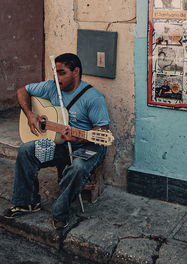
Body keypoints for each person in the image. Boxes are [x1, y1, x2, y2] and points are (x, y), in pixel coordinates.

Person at [2, 53, 110, 230]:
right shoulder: (51, 87)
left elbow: (103, 131)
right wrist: (30, 114)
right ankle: (27, 202)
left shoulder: (93, 97)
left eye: (61, 73)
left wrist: (78, 137)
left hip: (88, 145)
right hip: (59, 143)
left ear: (76, 72)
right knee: (27, 150)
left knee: (78, 167)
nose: (56, 78)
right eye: (55, 73)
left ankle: (60, 212)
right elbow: (22, 91)